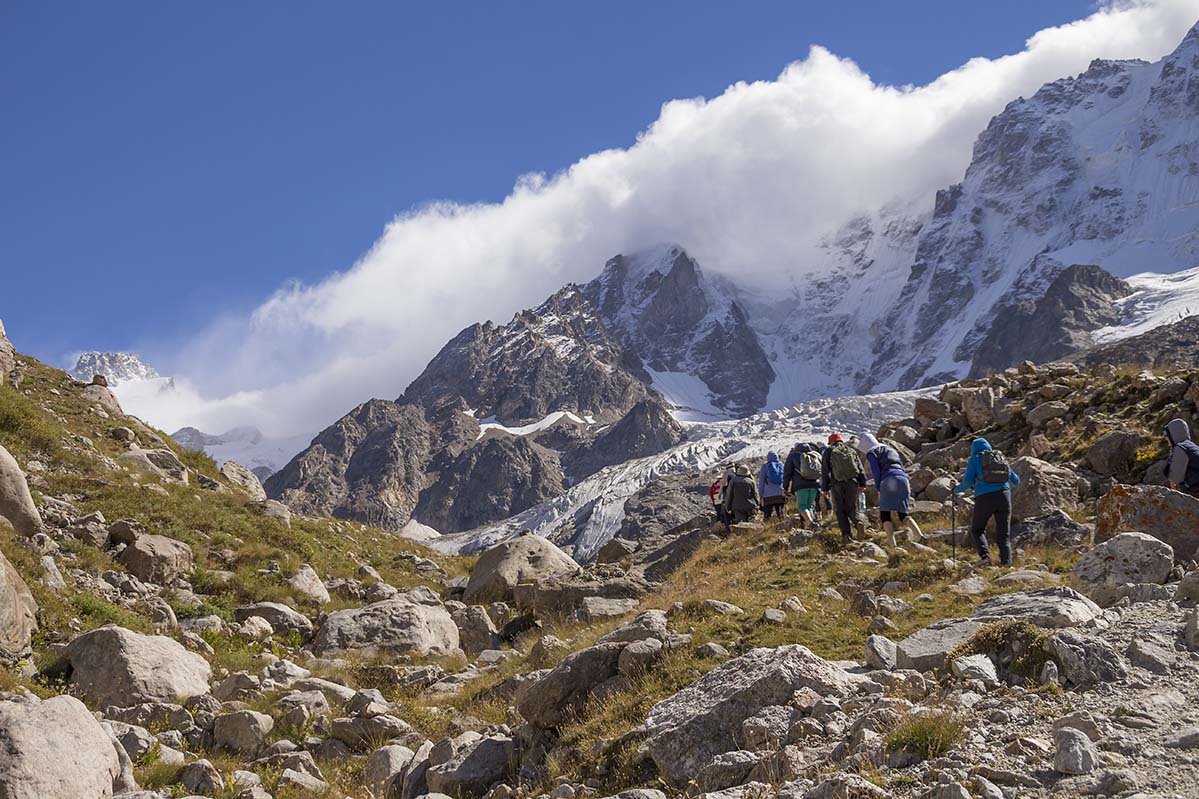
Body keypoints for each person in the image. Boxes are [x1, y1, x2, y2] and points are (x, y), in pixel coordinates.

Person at [953, 437, 1021, 567]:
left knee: (977, 529)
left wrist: (955, 490)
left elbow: (967, 482)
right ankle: (1007, 563)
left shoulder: (975, 459)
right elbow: (1016, 480)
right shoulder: (999, 458)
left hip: (984, 498)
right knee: (1004, 534)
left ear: (973, 449)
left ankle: (985, 557)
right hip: (1004, 497)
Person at [857, 433, 923, 547]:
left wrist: (878, 488)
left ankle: (893, 544)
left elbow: (876, 472)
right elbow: (901, 465)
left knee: (885, 514)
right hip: (903, 479)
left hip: (888, 480)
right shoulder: (888, 448)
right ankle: (920, 536)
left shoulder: (872, 452)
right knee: (903, 513)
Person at [821, 433, 866, 543]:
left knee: (840, 510)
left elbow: (825, 471)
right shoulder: (850, 449)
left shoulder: (828, 451)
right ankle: (858, 522)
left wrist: (825, 488)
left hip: (837, 484)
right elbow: (859, 467)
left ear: (831, 442)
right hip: (852, 482)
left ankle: (846, 535)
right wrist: (862, 483)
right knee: (851, 507)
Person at [783, 441, 822, 528]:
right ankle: (811, 525)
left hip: (801, 486)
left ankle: (810, 523)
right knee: (809, 505)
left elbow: (787, 473)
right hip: (815, 484)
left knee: (802, 506)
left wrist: (785, 488)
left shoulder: (793, 456)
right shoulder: (814, 456)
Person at [1165, 419, 1199, 498]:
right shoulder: (1190, 445)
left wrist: (1172, 481)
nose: (1166, 438)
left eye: (1166, 435)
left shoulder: (1180, 447)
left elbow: (1176, 475)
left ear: (1173, 434)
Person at [758, 451, 787, 520]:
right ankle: (783, 527)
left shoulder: (765, 466)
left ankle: (766, 528)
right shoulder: (781, 465)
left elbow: (761, 481)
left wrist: (761, 495)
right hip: (780, 493)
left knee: (767, 515)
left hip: (768, 495)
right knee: (780, 514)